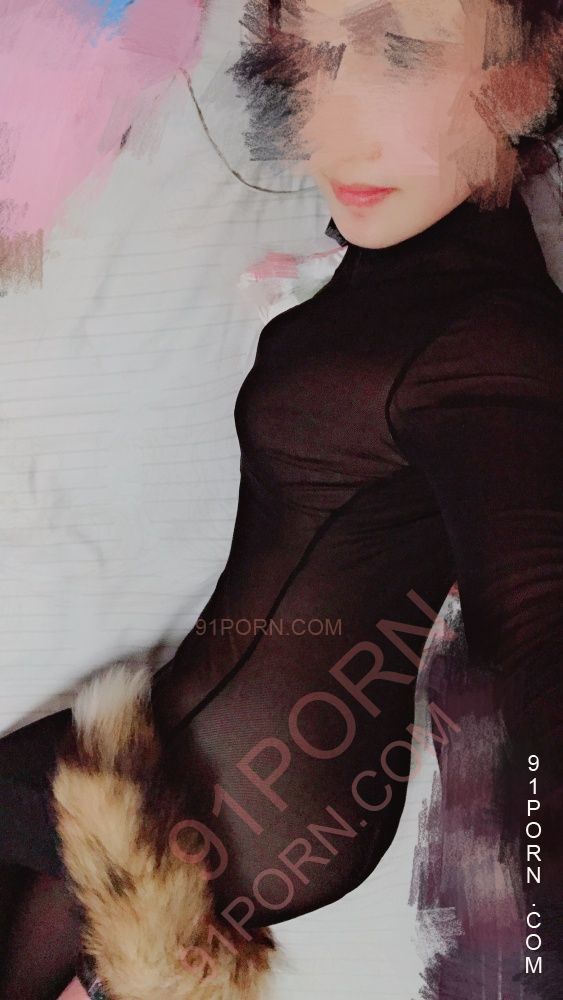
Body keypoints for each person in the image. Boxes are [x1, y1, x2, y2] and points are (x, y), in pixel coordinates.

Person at [1, 1, 562, 997]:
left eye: (398, 56)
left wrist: (531, 909)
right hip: (243, 768)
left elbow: (535, 636)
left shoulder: (496, 343)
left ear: (530, 76)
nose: (326, 126)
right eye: (310, 59)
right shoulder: (427, 243)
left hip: (242, 793)